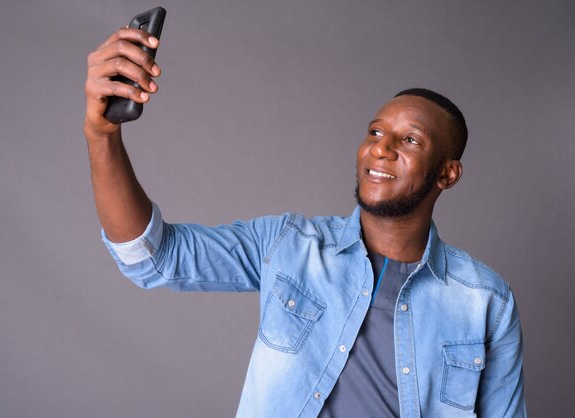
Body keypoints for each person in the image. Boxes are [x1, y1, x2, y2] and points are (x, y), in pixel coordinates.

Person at [84, 27, 526, 418]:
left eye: (409, 139)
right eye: (374, 133)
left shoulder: (486, 301)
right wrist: (102, 136)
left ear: (448, 173)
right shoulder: (288, 244)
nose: (380, 148)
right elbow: (152, 257)